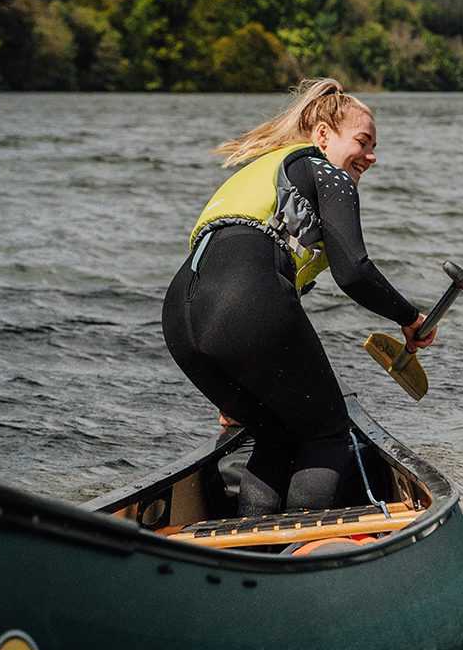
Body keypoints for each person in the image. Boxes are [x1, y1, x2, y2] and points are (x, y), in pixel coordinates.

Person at [162, 78, 430, 515]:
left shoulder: (267, 167)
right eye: (362, 141)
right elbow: (355, 272)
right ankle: (301, 551)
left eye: (374, 146)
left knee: (276, 434)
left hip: (181, 318)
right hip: (244, 304)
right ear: (323, 135)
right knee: (325, 433)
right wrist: (409, 317)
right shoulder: (326, 171)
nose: (371, 155)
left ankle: (257, 549)